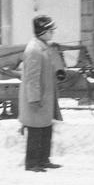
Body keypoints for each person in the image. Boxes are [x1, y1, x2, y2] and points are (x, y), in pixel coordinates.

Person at [18, 15, 65, 173]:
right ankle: (32, 163)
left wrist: (59, 72)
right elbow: (32, 78)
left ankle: (44, 160)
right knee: (36, 131)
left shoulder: (44, 46)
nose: (53, 33)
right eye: (51, 30)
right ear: (43, 32)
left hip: (45, 96)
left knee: (45, 129)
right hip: (37, 97)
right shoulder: (34, 50)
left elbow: (53, 62)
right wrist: (34, 98)